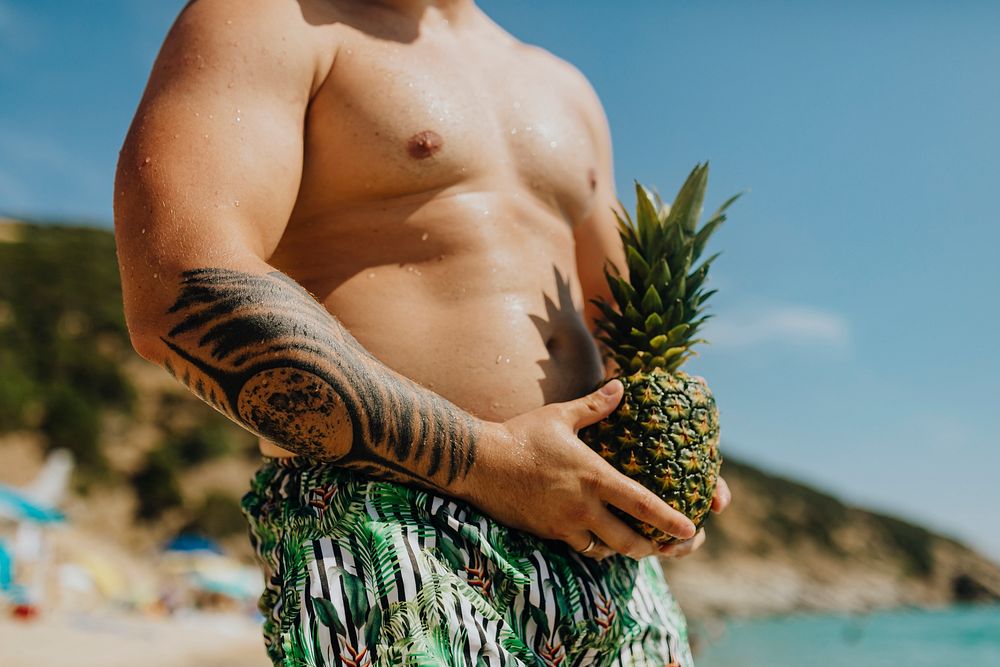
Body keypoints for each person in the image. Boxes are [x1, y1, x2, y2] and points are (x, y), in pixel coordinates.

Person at [114, 1, 731, 664]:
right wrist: (486, 461)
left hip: (595, 542)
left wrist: (664, 472)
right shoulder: (263, 18)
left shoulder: (566, 88)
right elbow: (179, 284)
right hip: (394, 519)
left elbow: (624, 319)